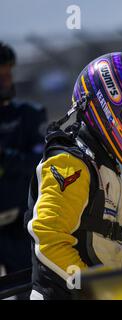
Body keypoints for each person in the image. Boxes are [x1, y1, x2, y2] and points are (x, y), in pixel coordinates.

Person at [24, 52, 122, 300]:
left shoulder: (100, 162)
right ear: (109, 108)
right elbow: (51, 244)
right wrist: (99, 293)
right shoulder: (70, 163)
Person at [0, 42, 47, 277]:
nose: (6, 80)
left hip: (20, 222)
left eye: (8, 73)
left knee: (29, 285)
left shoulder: (29, 114)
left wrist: (7, 159)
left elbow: (40, 160)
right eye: (0, 75)